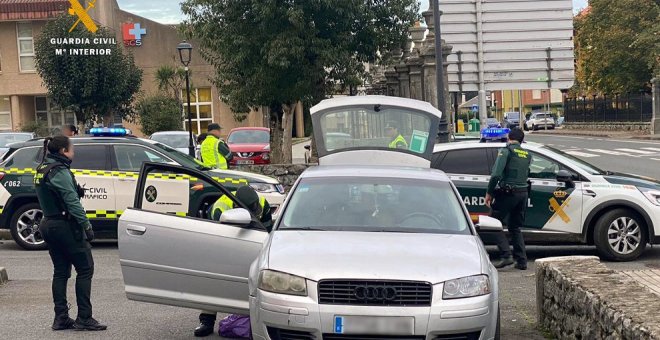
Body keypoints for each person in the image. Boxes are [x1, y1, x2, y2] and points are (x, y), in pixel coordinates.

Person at [34, 136, 107, 331]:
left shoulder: (42, 168)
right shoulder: (60, 170)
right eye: (71, 149)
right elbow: (71, 202)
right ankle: (84, 317)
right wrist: (87, 226)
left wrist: (75, 190)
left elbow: (53, 193)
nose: (73, 152)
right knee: (85, 269)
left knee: (60, 272)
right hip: (65, 225)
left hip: (48, 223)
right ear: (63, 151)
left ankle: (61, 318)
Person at [194, 185, 272, 337]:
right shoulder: (219, 208)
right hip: (225, 248)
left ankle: (257, 320)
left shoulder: (263, 203)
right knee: (213, 281)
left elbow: (268, 233)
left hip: (255, 244)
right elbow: (216, 240)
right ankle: (206, 321)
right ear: (237, 206)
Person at [485, 128, 532, 270]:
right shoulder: (527, 154)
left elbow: (496, 175)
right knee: (515, 227)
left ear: (509, 138)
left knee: (493, 223)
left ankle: (506, 256)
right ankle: (522, 261)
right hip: (523, 193)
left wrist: (489, 192)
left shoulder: (506, 151)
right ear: (522, 140)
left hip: (508, 193)